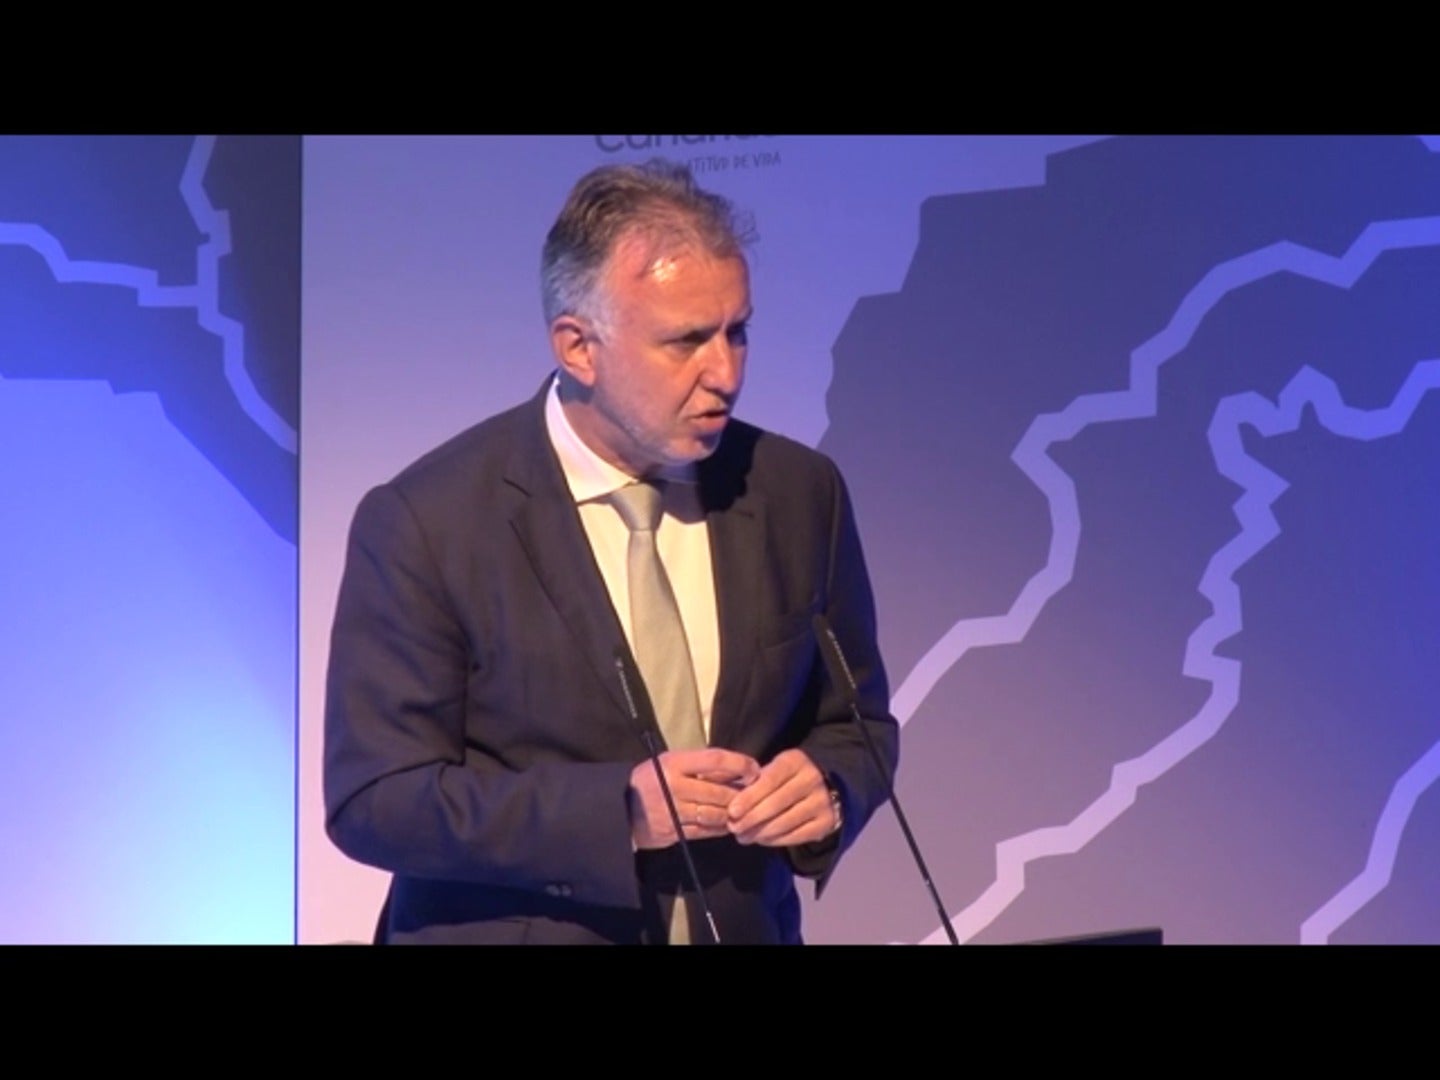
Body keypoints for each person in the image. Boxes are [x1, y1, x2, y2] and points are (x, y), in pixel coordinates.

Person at [323, 158, 897, 944]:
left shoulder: (798, 492)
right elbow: (376, 799)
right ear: (578, 348)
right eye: (686, 341)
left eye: (737, 331)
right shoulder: (428, 521)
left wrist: (829, 788)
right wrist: (615, 813)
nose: (726, 373)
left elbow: (858, 724)